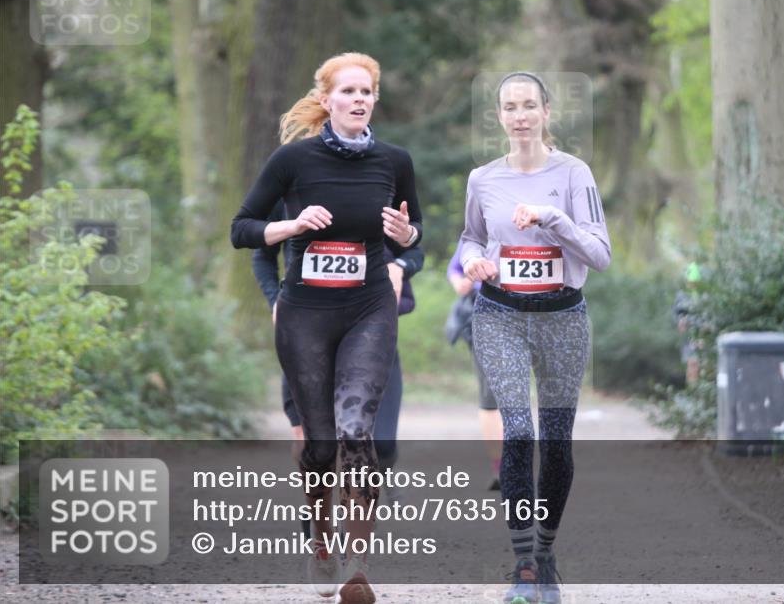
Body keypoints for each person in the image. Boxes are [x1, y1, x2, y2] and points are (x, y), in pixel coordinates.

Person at [231, 53, 421, 603]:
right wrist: (290, 225)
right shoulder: (293, 161)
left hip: (369, 308)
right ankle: (320, 538)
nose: (359, 100)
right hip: (305, 312)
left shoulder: (394, 160)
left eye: (367, 92)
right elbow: (241, 228)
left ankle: (357, 566)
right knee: (318, 445)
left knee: (357, 429)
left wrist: (405, 235)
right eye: (349, 92)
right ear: (328, 99)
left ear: (374, 99)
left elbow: (418, 234)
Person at [460, 72, 611, 604]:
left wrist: (553, 219)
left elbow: (600, 253)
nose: (519, 115)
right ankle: (523, 565)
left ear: (547, 111)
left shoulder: (574, 174)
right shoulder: (483, 178)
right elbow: (471, 237)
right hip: (499, 314)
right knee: (518, 432)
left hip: (563, 318)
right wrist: (474, 261)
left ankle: (546, 554)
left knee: (556, 442)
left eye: (529, 105)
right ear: (499, 116)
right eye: (509, 107)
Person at [252, 201, 425, 493]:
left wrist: (399, 267)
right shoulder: (287, 186)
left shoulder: (373, 182)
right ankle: (316, 526)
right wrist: (275, 300)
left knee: (380, 446)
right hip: (305, 335)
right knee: (313, 444)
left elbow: (413, 247)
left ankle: (360, 509)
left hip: (368, 331)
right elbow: (262, 254)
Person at [446, 242, 503, 491]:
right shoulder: (480, 223)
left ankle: (522, 463)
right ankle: (501, 468)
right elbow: (455, 268)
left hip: (530, 313)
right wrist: (460, 282)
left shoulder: (540, 217)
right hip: (483, 316)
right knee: (490, 397)